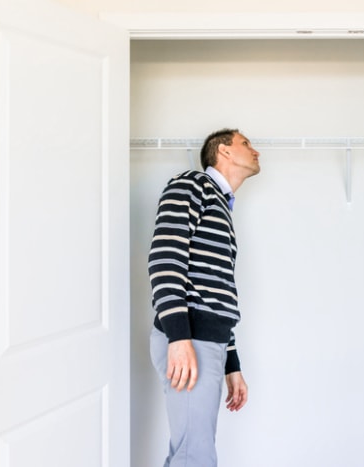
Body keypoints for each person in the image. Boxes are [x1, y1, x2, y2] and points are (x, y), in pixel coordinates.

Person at [148, 128, 260, 467]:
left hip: (203, 341)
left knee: (192, 453)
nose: (255, 150)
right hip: (189, 340)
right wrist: (179, 336)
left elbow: (216, 294)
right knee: (193, 457)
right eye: (246, 143)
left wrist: (232, 364)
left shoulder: (221, 207)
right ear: (223, 151)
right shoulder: (192, 185)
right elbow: (165, 256)